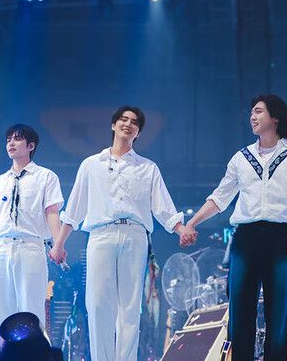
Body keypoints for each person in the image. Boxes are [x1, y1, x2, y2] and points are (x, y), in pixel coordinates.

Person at [49, 106, 197, 361]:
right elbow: (74, 208)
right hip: (100, 234)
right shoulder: (91, 164)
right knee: (97, 304)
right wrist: (59, 243)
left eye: (134, 122)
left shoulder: (147, 167)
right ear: (113, 125)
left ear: (138, 132)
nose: (128, 124)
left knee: (129, 307)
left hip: (135, 235)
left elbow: (163, 207)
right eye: (123, 119)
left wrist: (181, 228)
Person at [185, 94, 287, 360]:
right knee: (240, 311)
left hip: (282, 237)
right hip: (245, 238)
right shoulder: (241, 158)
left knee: (278, 312)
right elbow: (220, 197)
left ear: (275, 117)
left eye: (258, 111)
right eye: (251, 113)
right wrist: (192, 222)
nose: (252, 117)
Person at [0, 124, 64, 344]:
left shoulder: (46, 177)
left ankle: (33, 355)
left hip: (31, 246)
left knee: (31, 309)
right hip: (2, 249)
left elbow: (52, 212)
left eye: (17, 139)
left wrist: (58, 244)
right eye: (8, 140)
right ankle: (4, 353)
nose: (11, 143)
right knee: (3, 310)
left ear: (31, 146)